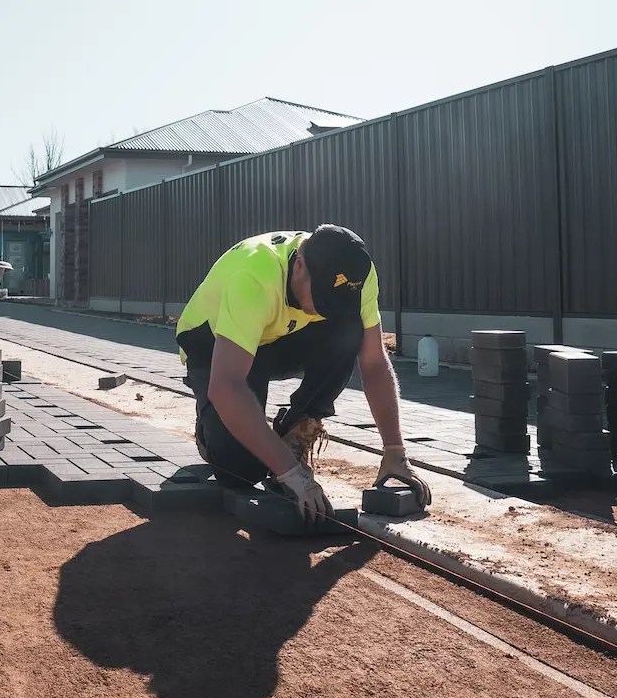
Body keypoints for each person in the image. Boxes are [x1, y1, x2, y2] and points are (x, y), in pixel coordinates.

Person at [175, 225, 432, 524]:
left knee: (349, 332)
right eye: (322, 299)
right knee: (243, 470)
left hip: (280, 335)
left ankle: (296, 432)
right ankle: (209, 428)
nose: (326, 310)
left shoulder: (356, 272)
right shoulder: (254, 277)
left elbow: (374, 362)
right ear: (299, 267)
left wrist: (395, 451)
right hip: (214, 345)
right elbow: (226, 385)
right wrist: (291, 474)